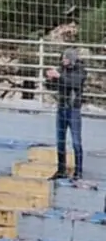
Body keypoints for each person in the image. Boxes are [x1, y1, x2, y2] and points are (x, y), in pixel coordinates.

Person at [47, 48, 87, 181]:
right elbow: (53, 87)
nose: (62, 60)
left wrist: (60, 77)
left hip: (73, 110)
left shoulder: (80, 70)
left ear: (71, 59)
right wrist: (50, 79)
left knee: (76, 142)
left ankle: (79, 171)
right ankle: (61, 169)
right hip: (61, 108)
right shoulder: (62, 70)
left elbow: (75, 83)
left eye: (65, 58)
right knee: (60, 141)